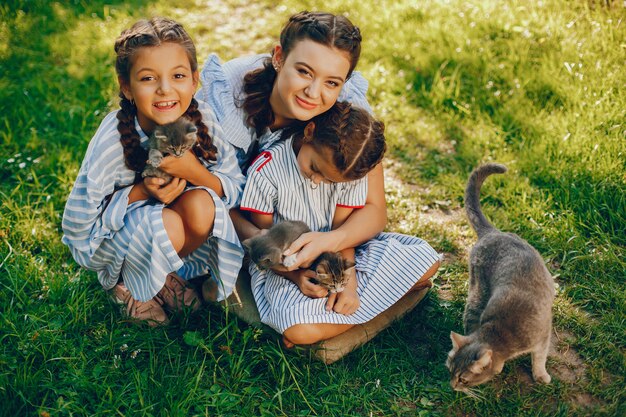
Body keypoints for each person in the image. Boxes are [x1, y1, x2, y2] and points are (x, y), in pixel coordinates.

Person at [197, 10, 440, 343]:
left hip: (327, 246)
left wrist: (332, 246)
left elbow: (373, 209)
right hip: (253, 239)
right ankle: (348, 320)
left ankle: (342, 316)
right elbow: (214, 204)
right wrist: (288, 264)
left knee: (427, 261)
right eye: (304, 71)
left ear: (344, 84)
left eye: (331, 82)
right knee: (300, 323)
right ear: (279, 58)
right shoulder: (227, 106)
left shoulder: (345, 122)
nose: (314, 92)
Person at [62, 17, 245, 326]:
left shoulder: (203, 122)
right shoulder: (112, 143)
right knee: (168, 223)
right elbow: (77, 229)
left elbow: (236, 187)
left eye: (178, 75)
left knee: (202, 205)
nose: (165, 89)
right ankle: (129, 286)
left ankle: (162, 275)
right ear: (127, 86)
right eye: (148, 78)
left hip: (164, 229)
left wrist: (194, 170)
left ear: (194, 81)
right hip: (119, 243)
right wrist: (142, 192)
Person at [240, 102, 441, 346]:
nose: (317, 181)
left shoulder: (349, 170)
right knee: (300, 330)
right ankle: (377, 304)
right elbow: (267, 246)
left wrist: (349, 282)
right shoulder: (267, 171)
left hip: (345, 254)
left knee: (427, 259)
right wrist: (298, 277)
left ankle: (341, 316)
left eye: (329, 180)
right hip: (287, 271)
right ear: (309, 132)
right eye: (314, 168)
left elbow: (343, 232)